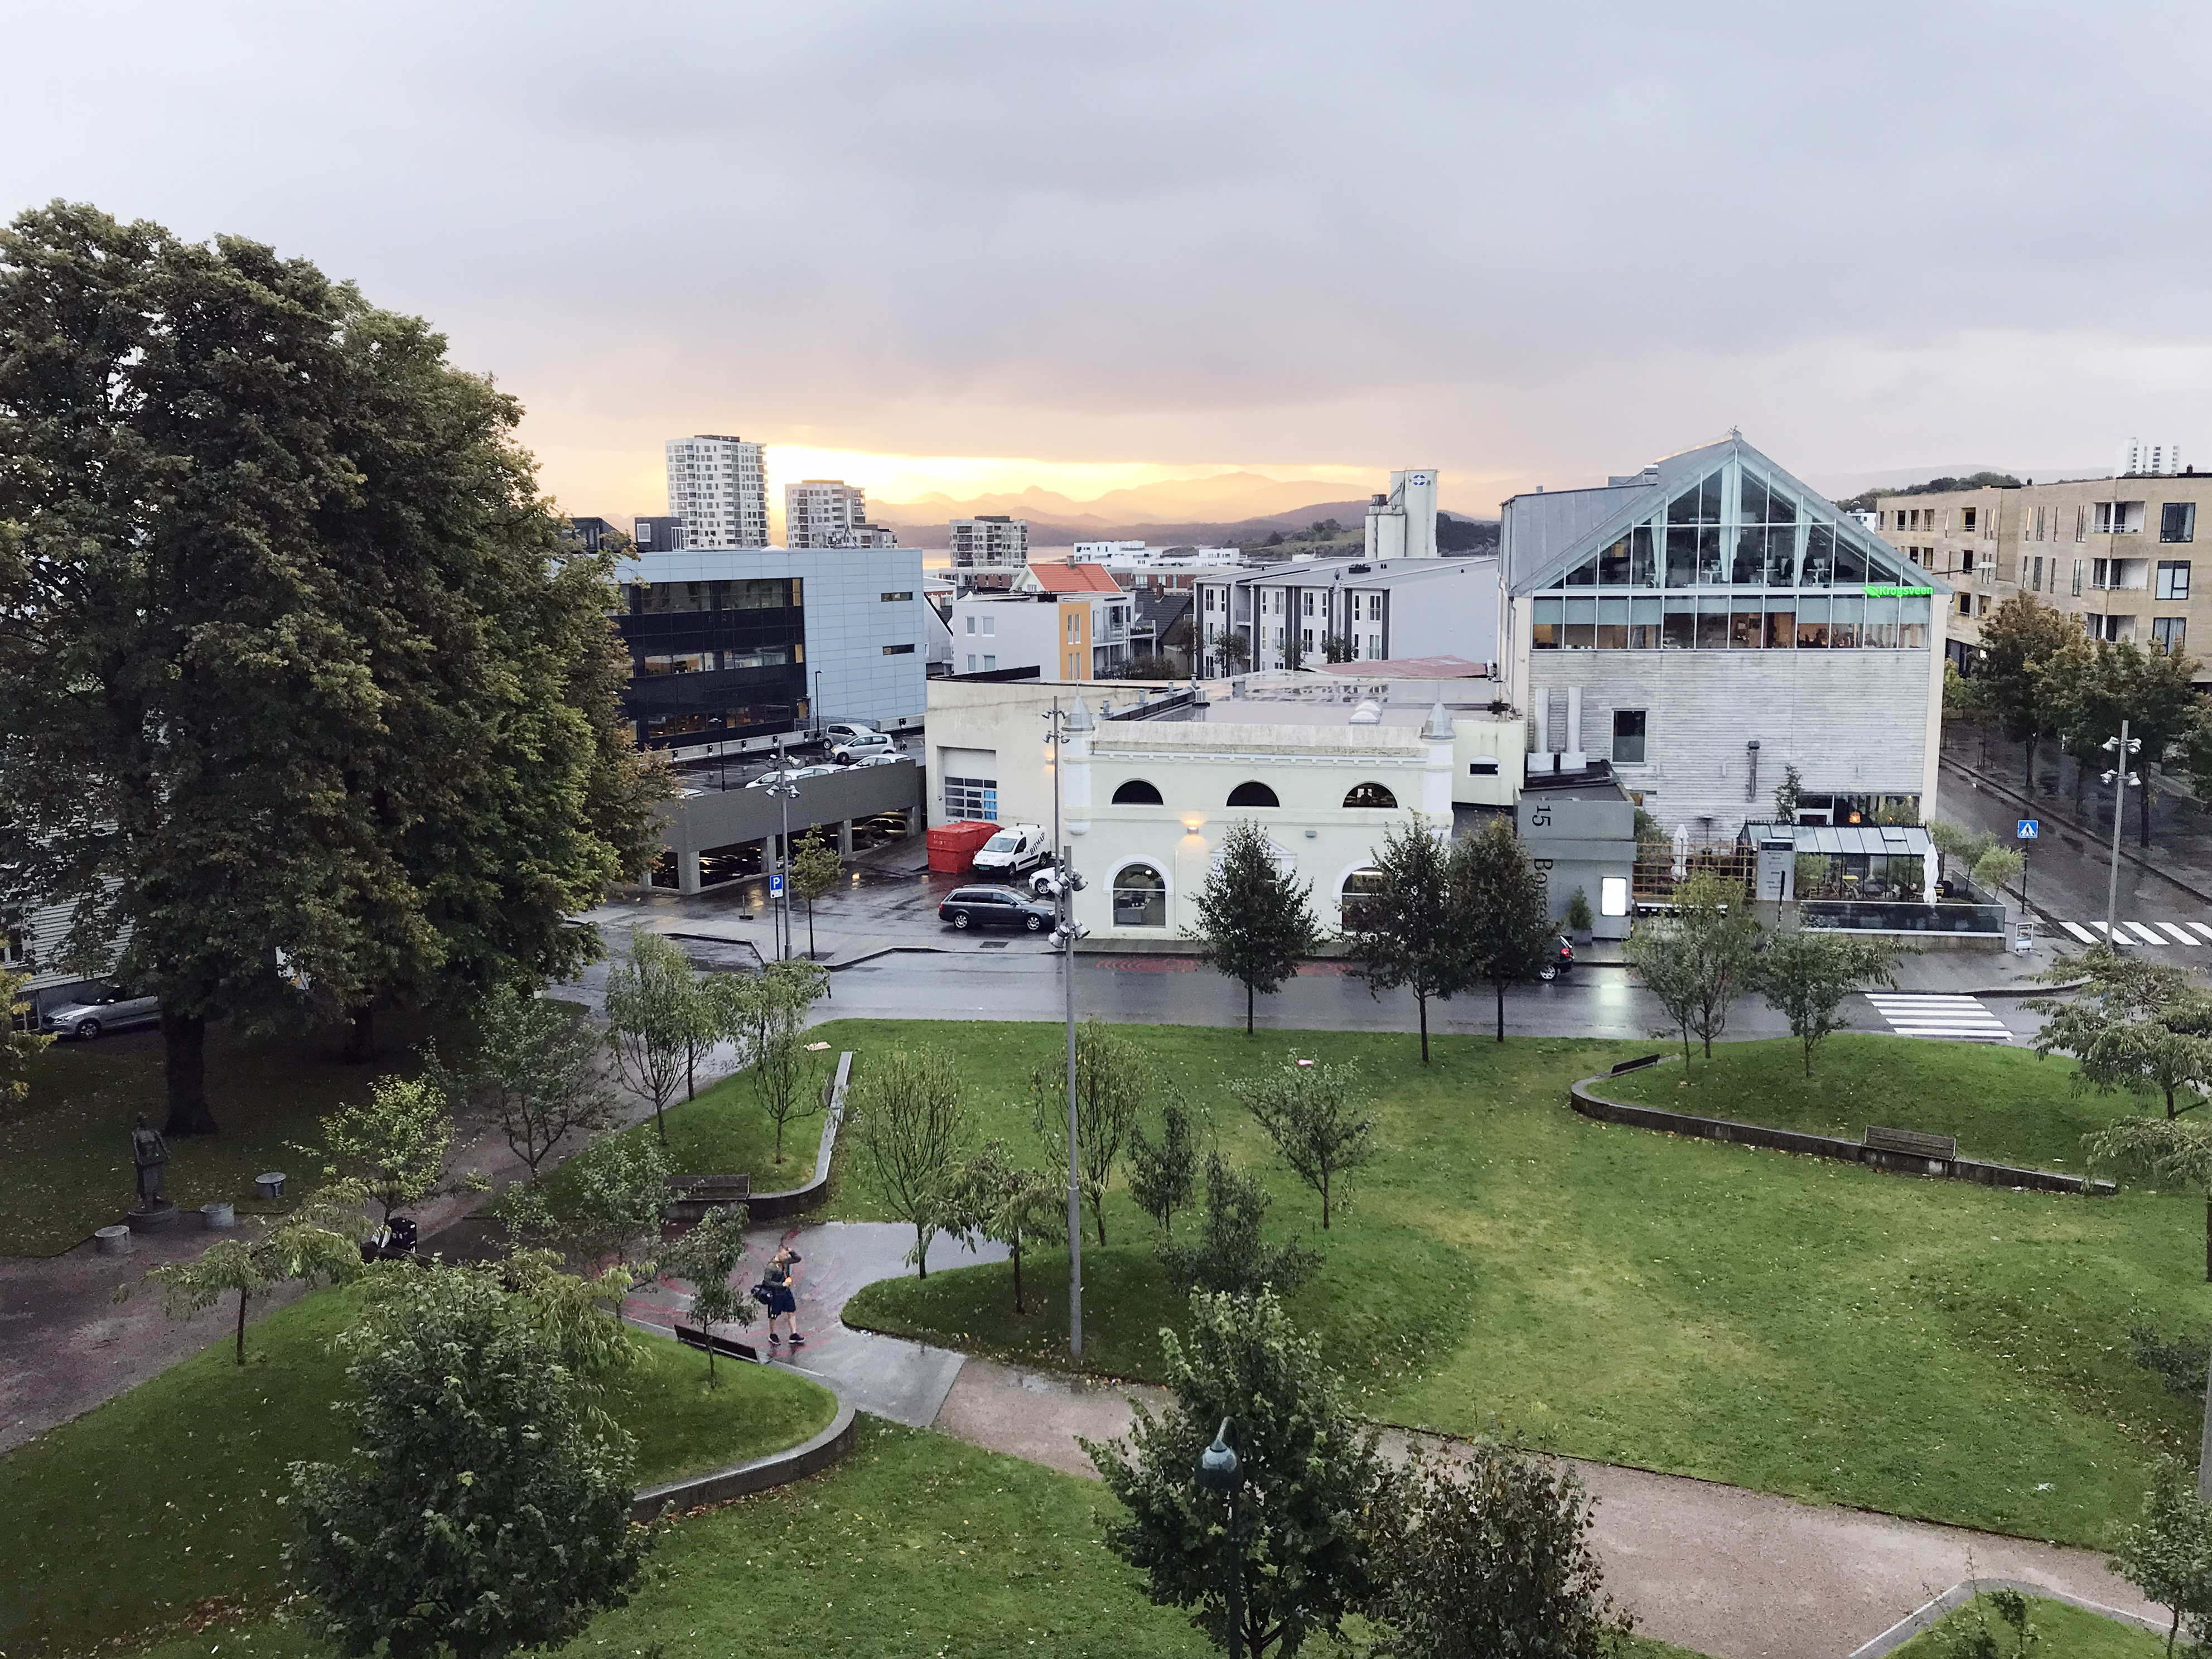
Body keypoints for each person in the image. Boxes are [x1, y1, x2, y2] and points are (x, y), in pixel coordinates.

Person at [763, 1246, 804, 1349]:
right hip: (776, 1294)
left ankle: (794, 1335)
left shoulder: (786, 1262)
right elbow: (767, 1282)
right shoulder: (771, 1267)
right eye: (784, 1255)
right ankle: (773, 1334)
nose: (786, 1257)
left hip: (786, 1292)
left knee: (791, 1311)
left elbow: (798, 1259)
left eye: (787, 1255)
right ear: (779, 1253)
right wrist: (781, 1285)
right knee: (773, 1315)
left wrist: (792, 1252)